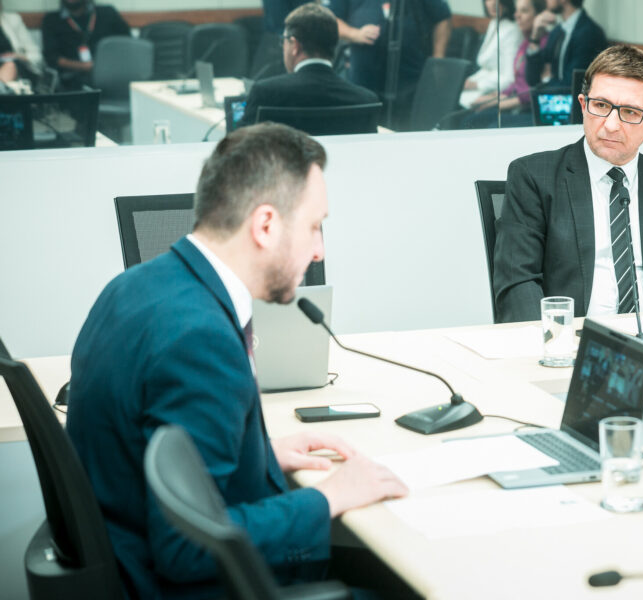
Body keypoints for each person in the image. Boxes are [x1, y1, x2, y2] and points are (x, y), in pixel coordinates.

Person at [66, 123, 408, 599]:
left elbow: (175, 463)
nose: (318, 250)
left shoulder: (135, 286)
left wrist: (262, 455)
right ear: (266, 225)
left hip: (126, 559)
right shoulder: (199, 339)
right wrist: (328, 495)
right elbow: (186, 546)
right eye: (314, 226)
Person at [493, 44, 643, 322]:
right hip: (569, 344)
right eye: (601, 106)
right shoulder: (534, 177)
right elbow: (517, 284)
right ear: (583, 105)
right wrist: (557, 346)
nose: (611, 125)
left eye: (630, 112)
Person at [240, 4, 379, 130]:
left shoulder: (265, 93)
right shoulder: (365, 100)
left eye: (284, 41)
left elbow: (237, 150)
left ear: (295, 45)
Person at [324, 0, 452, 113]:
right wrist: (354, 34)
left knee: (406, 122)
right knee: (363, 117)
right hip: (363, 71)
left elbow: (442, 18)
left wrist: (438, 59)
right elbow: (331, 19)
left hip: (410, 73)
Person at [462, 0, 547, 129]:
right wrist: (492, 97)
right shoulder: (525, 44)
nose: (517, 15)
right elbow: (515, 84)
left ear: (538, 15)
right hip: (513, 100)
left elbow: (534, 90)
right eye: (517, 11)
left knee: (482, 123)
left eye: (524, 11)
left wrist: (495, 102)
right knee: (470, 118)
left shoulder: (544, 43)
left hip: (529, 108)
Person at [40, 0, 130, 90]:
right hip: (72, 82)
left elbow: (128, 44)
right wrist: (84, 67)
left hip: (112, 76)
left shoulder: (107, 13)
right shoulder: (51, 20)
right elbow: (52, 58)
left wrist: (106, 65)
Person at [524, 0, 606, 89]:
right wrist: (535, 38)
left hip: (575, 100)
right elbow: (532, 79)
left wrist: (545, 80)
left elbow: (572, 85)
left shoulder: (589, 33)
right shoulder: (557, 31)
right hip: (553, 98)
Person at [458, 0, 522, 110]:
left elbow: (509, 78)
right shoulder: (494, 23)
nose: (493, 3)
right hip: (479, 83)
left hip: (494, 91)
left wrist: (477, 85)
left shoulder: (512, 30)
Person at [0, 1, 44, 86]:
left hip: (17, 70)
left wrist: (17, 56)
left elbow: (36, 56)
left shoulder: (13, 19)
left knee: (10, 65)